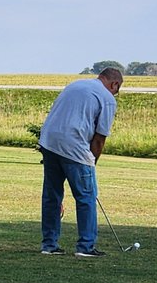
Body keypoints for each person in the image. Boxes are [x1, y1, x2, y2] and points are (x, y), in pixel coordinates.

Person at [38, 67, 122, 257]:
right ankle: (86, 247)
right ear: (114, 84)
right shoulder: (107, 98)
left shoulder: (76, 85)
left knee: (52, 196)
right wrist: (92, 163)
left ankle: (49, 245)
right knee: (86, 197)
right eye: (117, 90)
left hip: (49, 142)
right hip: (74, 145)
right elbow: (100, 138)